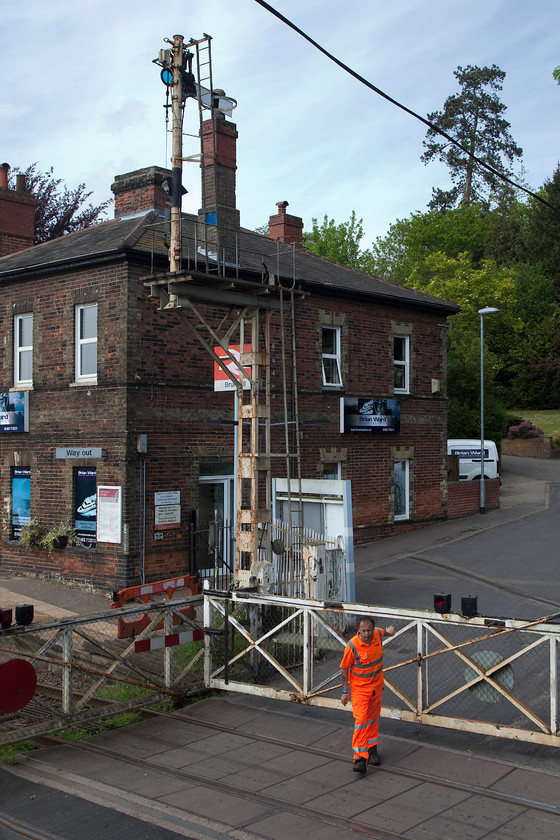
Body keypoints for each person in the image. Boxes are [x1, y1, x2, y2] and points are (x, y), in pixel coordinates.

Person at [340, 615, 395, 774]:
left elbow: (383, 632)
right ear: (358, 630)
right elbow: (344, 668)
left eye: (369, 630)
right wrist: (345, 691)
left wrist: (390, 632)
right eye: (363, 631)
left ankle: (372, 751)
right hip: (360, 692)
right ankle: (359, 758)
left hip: (376, 689)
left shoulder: (377, 634)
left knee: (373, 721)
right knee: (361, 722)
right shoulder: (352, 646)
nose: (367, 634)